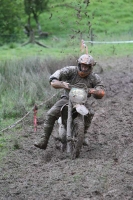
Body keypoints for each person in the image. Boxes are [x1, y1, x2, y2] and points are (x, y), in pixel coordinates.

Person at [34, 54, 105, 149]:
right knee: (51, 113)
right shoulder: (70, 70)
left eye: (86, 66)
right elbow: (57, 75)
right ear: (79, 64)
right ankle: (44, 140)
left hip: (82, 101)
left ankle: (83, 135)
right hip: (66, 98)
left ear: (90, 67)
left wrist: (94, 90)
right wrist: (58, 81)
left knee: (90, 113)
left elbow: (100, 91)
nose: (84, 68)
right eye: (82, 65)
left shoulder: (94, 77)